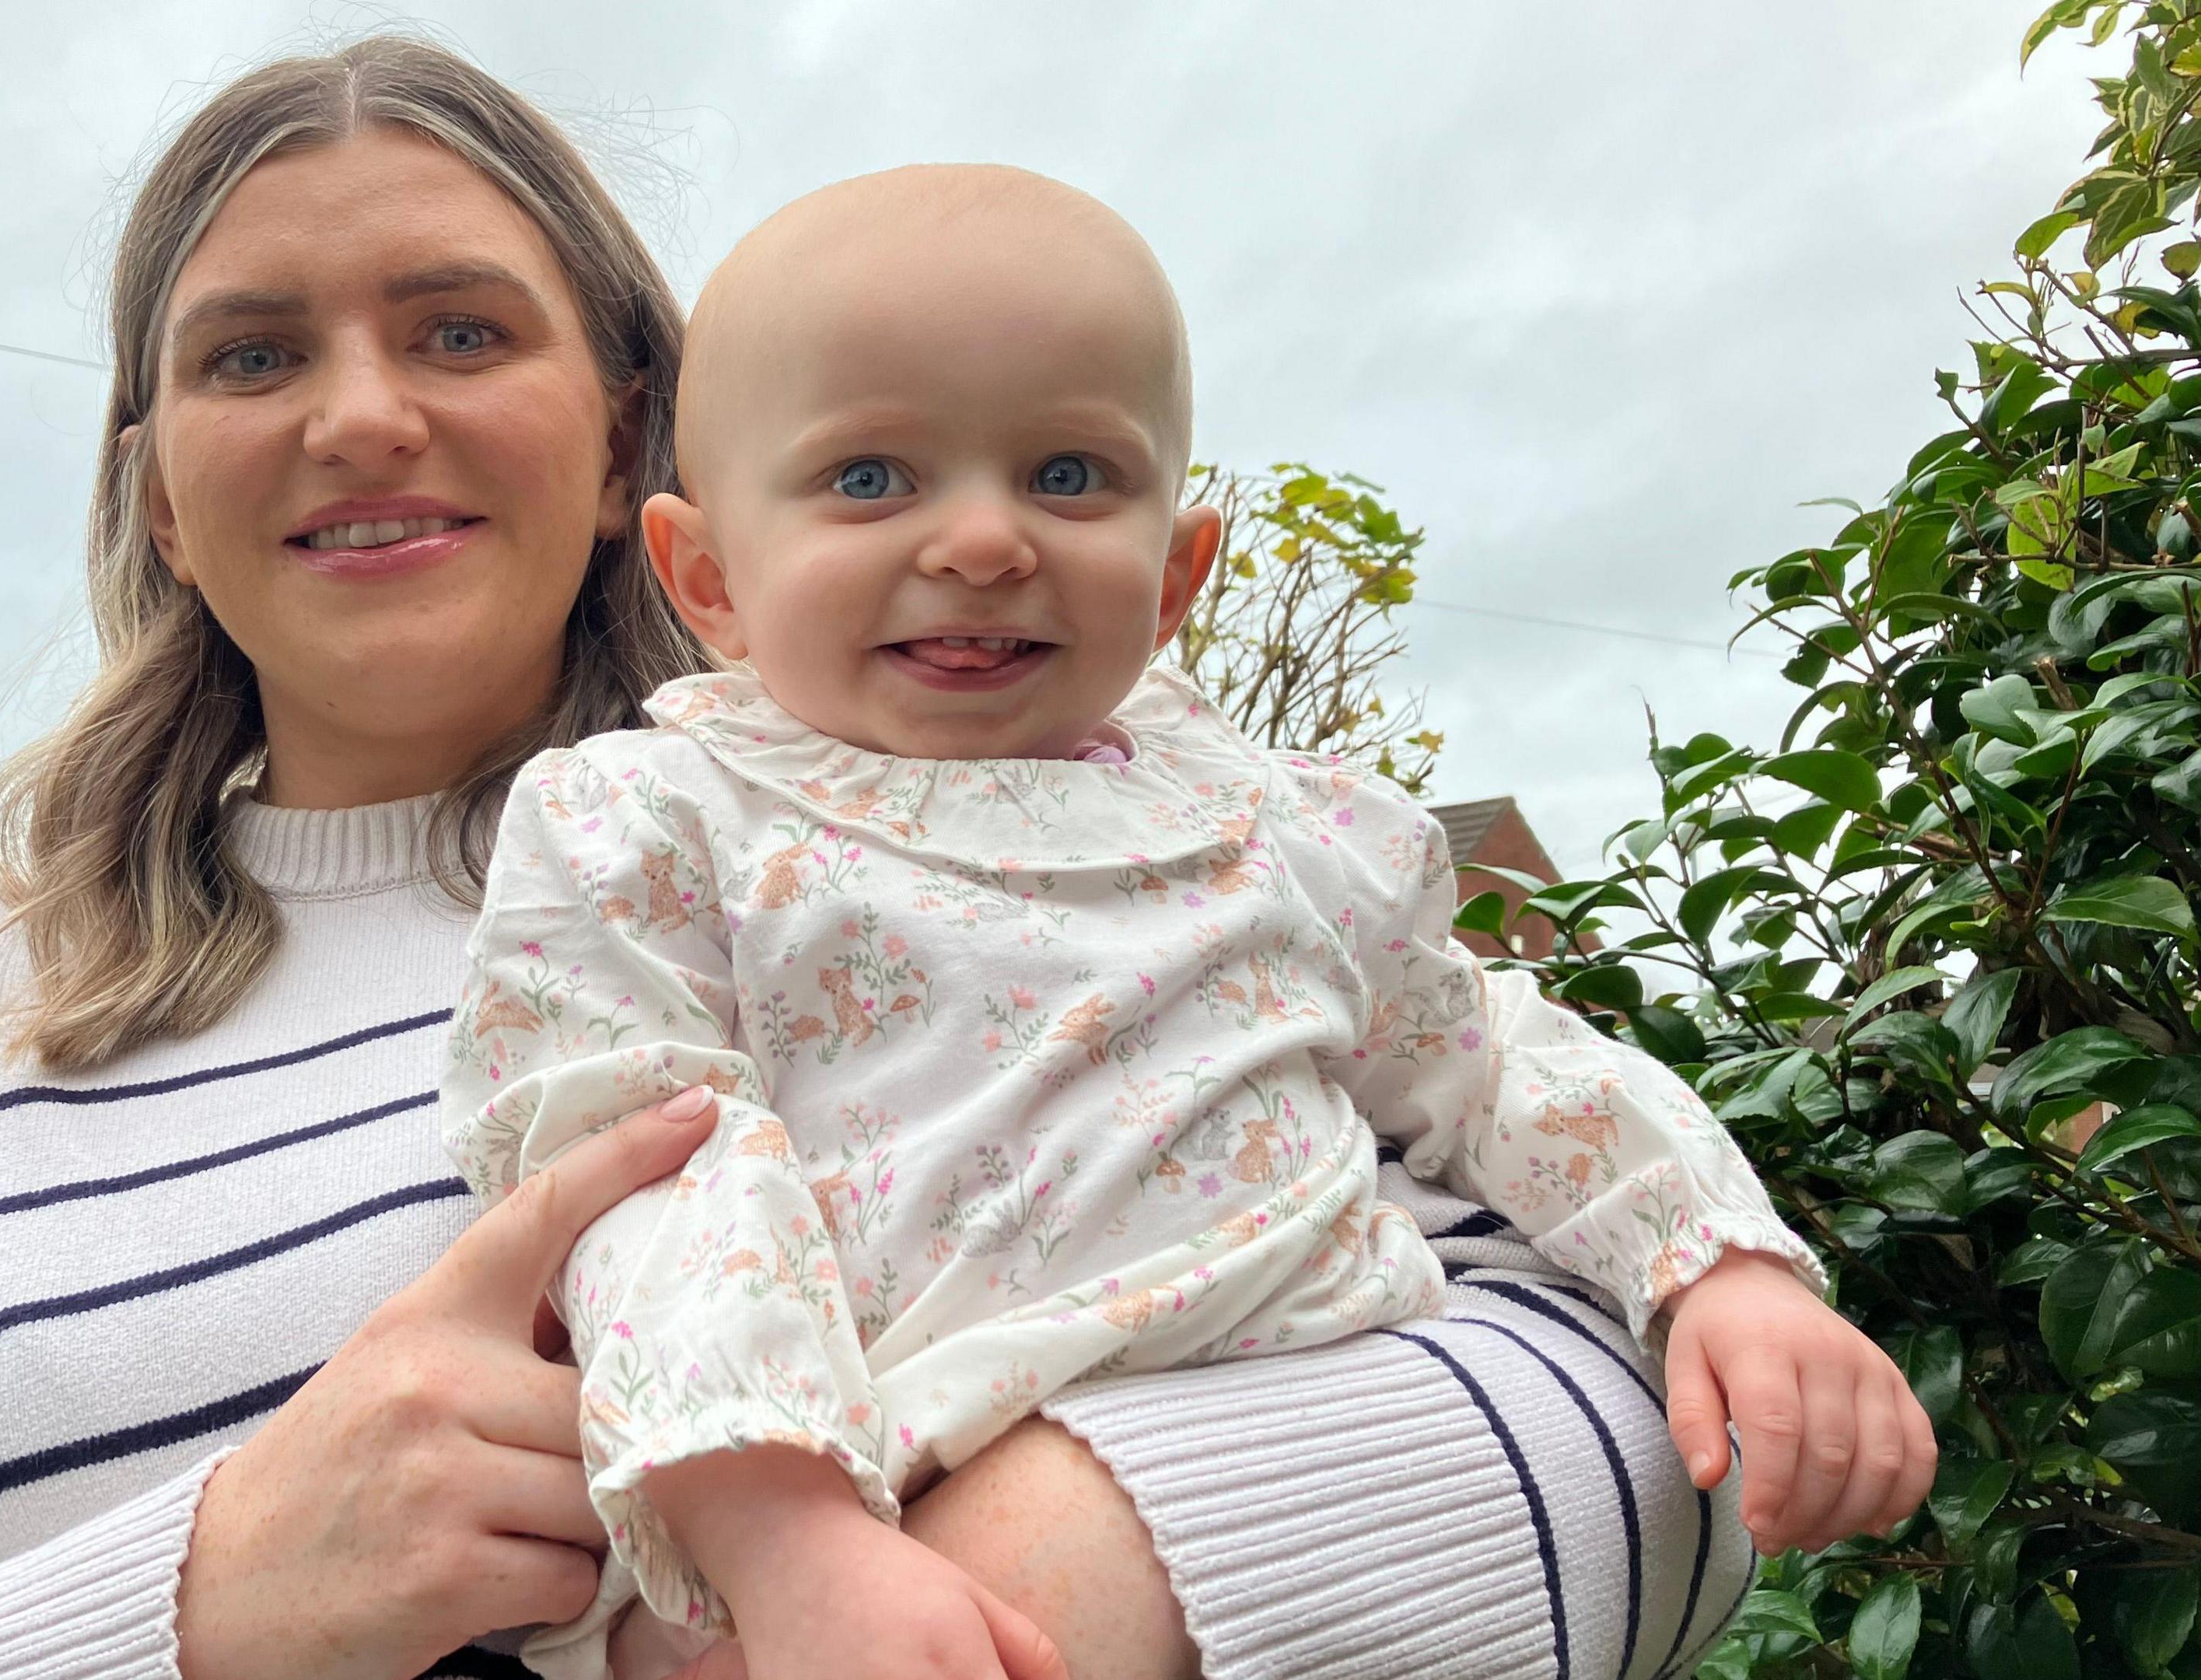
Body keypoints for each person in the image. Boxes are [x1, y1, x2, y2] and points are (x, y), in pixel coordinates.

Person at [0, 37, 1930, 1680]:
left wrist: (1051, 1570)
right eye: (246, 355)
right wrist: (191, 1605)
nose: (359, 412)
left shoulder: (1086, 831)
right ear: (150, 478)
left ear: (637, 430)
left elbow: (1638, 1432)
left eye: (461, 326)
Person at [442, 166, 1930, 1680]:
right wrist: (781, 1530)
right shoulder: (665, 824)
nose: (981, 541)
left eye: (1070, 476)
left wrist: (1713, 1264)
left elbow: (1486, 1061)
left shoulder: (1281, 828)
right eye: (873, 478)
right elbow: (628, 1172)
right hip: (880, 1494)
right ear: (708, 577)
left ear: (1176, 580)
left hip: (1350, 1465)